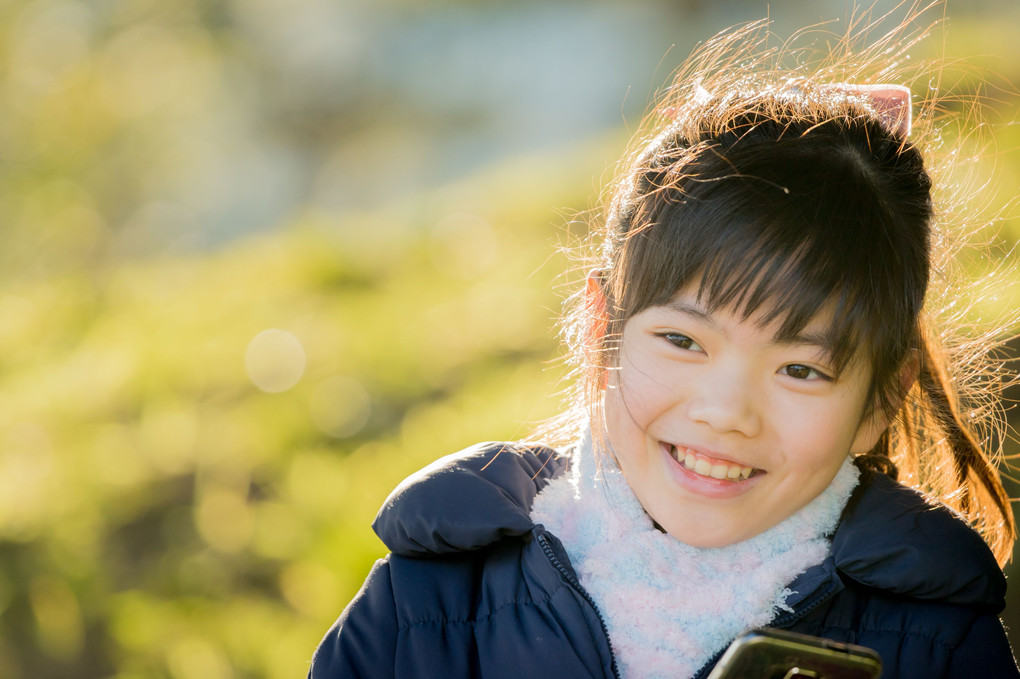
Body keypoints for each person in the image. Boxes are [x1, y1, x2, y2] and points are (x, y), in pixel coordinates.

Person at [308, 16, 1019, 679]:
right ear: (600, 331)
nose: (726, 411)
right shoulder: (429, 605)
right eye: (682, 340)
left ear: (878, 401)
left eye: (800, 368)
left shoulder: (933, 642)